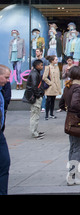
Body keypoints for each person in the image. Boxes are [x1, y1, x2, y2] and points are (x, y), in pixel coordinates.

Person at [59, 66, 80, 185]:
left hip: (70, 120)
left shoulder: (69, 86)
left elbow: (62, 104)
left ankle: (74, 173)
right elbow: (74, 103)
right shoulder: (78, 87)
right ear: (79, 75)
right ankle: (73, 176)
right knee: (78, 148)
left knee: (73, 147)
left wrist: (69, 111)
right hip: (78, 121)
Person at [26, 59, 45, 139]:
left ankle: (35, 130)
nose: (42, 66)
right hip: (35, 97)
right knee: (35, 115)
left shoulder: (36, 73)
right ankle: (34, 132)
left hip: (36, 96)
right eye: (41, 65)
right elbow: (34, 86)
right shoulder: (34, 74)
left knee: (36, 114)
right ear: (37, 66)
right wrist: (38, 95)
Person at [0, 65, 11, 195]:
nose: (8, 80)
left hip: (1, 132)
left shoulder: (3, 89)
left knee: (4, 163)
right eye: (6, 77)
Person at [43, 55, 61, 120]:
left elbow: (58, 78)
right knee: (48, 100)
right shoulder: (48, 67)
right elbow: (44, 77)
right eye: (55, 59)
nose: (57, 60)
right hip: (50, 87)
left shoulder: (57, 67)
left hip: (55, 86)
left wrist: (58, 86)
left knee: (53, 100)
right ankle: (46, 114)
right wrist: (50, 83)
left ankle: (51, 113)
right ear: (52, 61)